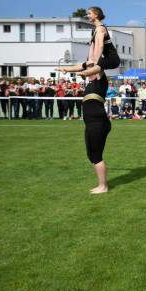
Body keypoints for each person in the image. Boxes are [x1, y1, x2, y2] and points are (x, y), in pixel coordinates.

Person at [59, 62, 112, 193]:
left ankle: (103, 186)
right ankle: (101, 184)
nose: (87, 70)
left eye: (90, 68)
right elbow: (84, 66)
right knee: (91, 154)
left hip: (98, 123)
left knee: (97, 154)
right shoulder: (89, 84)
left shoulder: (101, 82)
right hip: (90, 123)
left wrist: (97, 44)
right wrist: (70, 69)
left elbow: (98, 64)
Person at [66, 7, 121, 79]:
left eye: (89, 13)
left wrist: (96, 61)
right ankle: (68, 69)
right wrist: (91, 61)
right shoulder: (94, 30)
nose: (87, 15)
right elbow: (93, 47)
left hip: (113, 59)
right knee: (90, 64)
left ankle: (86, 73)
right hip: (106, 58)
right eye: (87, 14)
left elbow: (101, 46)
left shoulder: (100, 28)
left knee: (98, 64)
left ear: (96, 15)